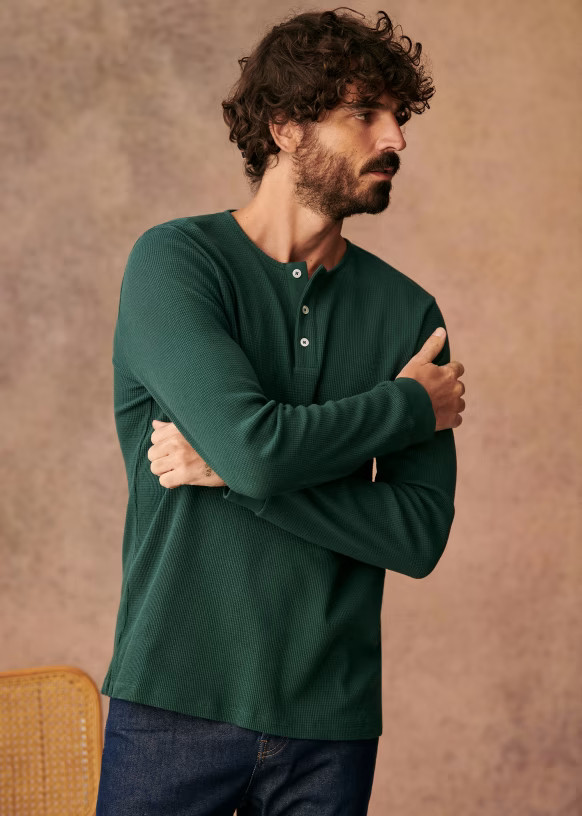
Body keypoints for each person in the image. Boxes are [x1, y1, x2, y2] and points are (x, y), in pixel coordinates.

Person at [96, 7, 465, 815]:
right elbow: (256, 452)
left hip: (331, 722)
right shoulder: (176, 263)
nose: (396, 139)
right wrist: (406, 406)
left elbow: (417, 534)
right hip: (173, 700)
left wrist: (224, 470)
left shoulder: (410, 313)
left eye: (398, 117)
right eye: (364, 113)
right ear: (287, 127)